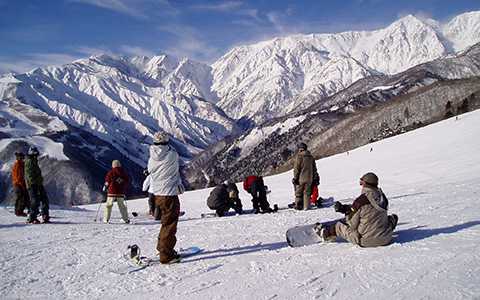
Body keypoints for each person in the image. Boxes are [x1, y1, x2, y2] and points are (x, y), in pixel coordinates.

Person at [316, 172, 398, 247]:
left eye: (361, 183)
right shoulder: (382, 198)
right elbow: (368, 209)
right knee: (388, 218)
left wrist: (348, 214)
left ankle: (324, 233)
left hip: (367, 241)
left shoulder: (361, 201)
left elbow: (352, 224)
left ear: (365, 184)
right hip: (387, 237)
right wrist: (345, 208)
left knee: (340, 226)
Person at [148, 131, 185, 264]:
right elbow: (176, 165)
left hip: (158, 193)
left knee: (166, 221)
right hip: (169, 193)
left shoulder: (151, 156)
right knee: (170, 223)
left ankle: (162, 248)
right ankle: (166, 254)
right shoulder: (171, 154)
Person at [24, 146, 50, 224]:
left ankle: (45, 215)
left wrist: (39, 182)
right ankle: (32, 217)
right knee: (35, 201)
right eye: (35, 154)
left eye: (36, 154)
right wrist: (34, 183)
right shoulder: (29, 162)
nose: (36, 156)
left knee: (44, 199)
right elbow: (29, 175)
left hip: (38, 184)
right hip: (32, 185)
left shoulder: (34, 161)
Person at [103, 160, 130, 224]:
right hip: (120, 192)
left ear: (113, 165)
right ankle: (126, 219)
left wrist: (105, 187)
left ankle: (106, 219)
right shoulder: (123, 173)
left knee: (109, 205)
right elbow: (127, 181)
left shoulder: (111, 172)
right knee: (122, 206)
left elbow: (107, 181)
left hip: (111, 192)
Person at [292, 142, 317, 210]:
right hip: (310, 178)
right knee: (307, 193)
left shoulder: (299, 157)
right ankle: (306, 206)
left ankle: (298, 206)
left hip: (301, 178)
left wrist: (295, 178)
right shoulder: (311, 157)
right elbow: (314, 169)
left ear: (300, 149)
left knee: (298, 193)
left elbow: (296, 169)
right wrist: (315, 178)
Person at [11, 152, 30, 216]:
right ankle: (19, 212)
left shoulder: (20, 164)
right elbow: (18, 176)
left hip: (18, 183)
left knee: (21, 197)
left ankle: (19, 211)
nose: (23, 158)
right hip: (18, 184)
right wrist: (22, 184)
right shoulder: (17, 165)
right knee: (21, 197)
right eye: (22, 157)